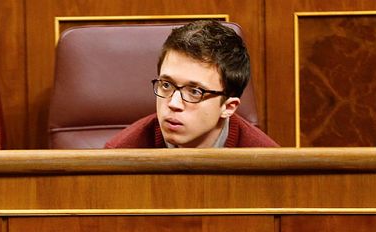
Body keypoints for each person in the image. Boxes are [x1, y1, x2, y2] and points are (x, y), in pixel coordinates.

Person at [104, 20, 278, 149]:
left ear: (229, 107)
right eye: (166, 85)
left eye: (194, 91)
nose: (173, 103)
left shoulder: (268, 167)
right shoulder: (120, 153)